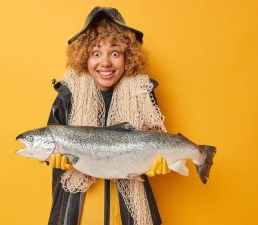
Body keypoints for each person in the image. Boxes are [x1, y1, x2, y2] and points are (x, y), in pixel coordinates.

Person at [46, 6, 169, 225]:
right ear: (84, 57)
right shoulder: (68, 93)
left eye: (115, 52)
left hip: (127, 208)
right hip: (80, 206)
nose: (105, 63)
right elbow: (49, 139)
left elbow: (155, 136)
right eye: (96, 53)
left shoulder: (142, 91)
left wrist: (159, 159)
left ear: (128, 57)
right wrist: (51, 159)